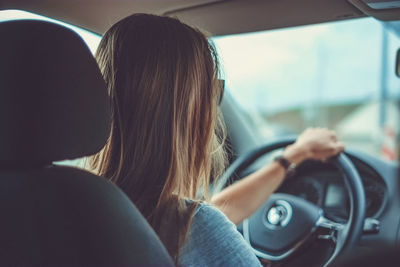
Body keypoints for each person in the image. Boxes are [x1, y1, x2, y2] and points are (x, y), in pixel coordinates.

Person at [89, 13, 344, 266]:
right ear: (191, 111)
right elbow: (198, 225)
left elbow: (199, 218)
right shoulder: (196, 229)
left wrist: (292, 157)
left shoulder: (70, 205)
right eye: (211, 91)